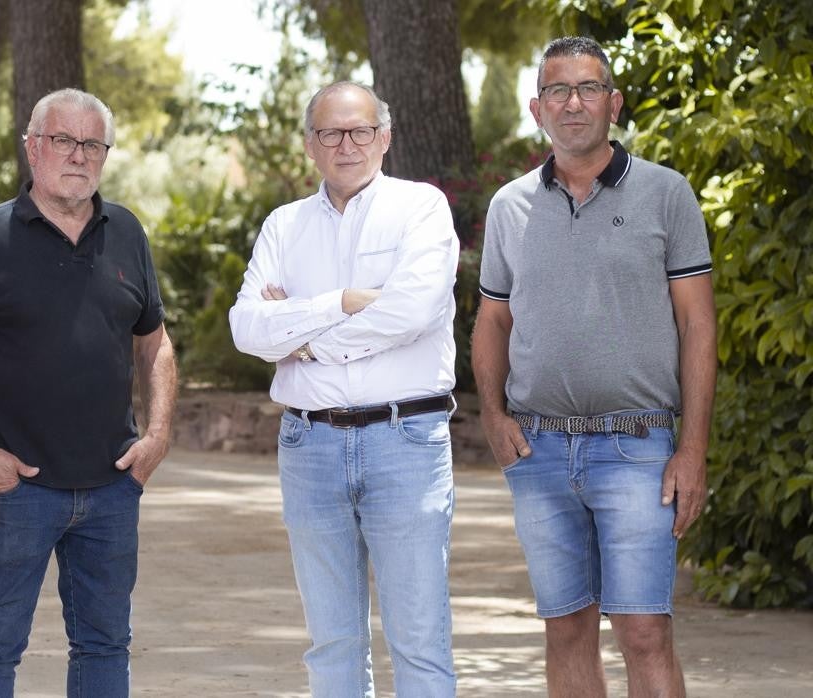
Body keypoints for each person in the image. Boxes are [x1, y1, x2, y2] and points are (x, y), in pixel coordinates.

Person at [0, 88, 177, 697]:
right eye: (63, 140)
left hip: (111, 489)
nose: (78, 155)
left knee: (105, 646)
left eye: (91, 144)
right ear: (33, 148)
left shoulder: (127, 232)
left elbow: (154, 343)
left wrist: (157, 436)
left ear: (104, 154)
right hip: (15, 493)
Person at [472, 36, 716, 697]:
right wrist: (493, 417)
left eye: (586, 89)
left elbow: (698, 324)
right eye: (558, 90)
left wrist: (692, 447)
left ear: (614, 103)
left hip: (638, 445)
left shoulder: (666, 194)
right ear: (536, 108)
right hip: (539, 451)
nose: (572, 103)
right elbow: (493, 319)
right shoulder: (509, 207)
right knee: (567, 628)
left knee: (644, 630)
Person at [229, 81, 460, 697]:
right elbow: (247, 326)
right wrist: (341, 303)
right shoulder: (284, 225)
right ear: (311, 145)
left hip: (405, 439)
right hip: (310, 446)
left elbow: (412, 312)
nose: (346, 144)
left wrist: (301, 337)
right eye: (330, 132)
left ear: (385, 137)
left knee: (419, 639)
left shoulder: (422, 208)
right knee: (330, 644)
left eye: (360, 130)